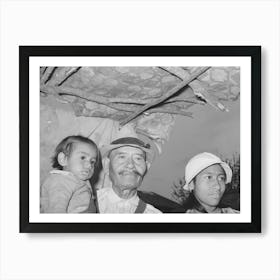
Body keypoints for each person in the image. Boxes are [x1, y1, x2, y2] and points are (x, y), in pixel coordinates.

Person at [98, 136, 162, 213]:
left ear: (147, 167)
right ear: (106, 165)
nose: (130, 165)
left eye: (138, 158)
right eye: (122, 157)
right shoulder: (86, 203)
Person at [40, 135, 99, 213]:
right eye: (83, 158)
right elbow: (56, 211)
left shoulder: (81, 181)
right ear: (63, 159)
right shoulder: (60, 181)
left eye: (92, 162)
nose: (89, 165)